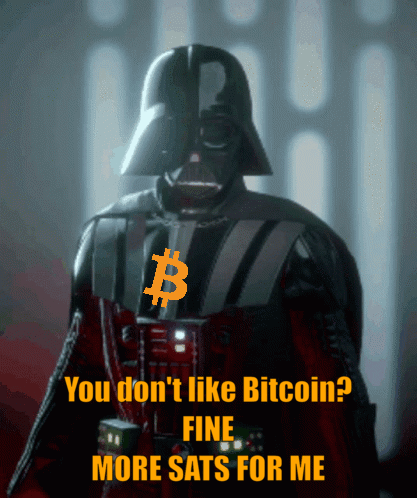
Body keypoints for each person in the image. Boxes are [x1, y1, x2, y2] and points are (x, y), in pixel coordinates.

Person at [8, 44, 379, 497]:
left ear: (240, 137)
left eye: (215, 133)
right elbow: (72, 398)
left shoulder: (293, 241)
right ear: (152, 138)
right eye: (176, 133)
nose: (195, 155)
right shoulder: (107, 237)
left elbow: (332, 410)